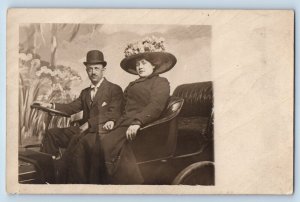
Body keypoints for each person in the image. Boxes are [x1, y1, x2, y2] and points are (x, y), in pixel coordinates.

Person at [34, 50, 123, 183]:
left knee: (78, 144)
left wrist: (89, 123)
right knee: (52, 134)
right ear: (86, 71)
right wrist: (49, 105)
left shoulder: (114, 89)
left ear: (103, 69)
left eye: (96, 68)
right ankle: (47, 176)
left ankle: (67, 179)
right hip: (82, 130)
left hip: (98, 133)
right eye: (89, 69)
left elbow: (114, 112)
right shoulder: (85, 93)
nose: (93, 72)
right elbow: (71, 108)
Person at [100, 37, 177, 184]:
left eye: (143, 63)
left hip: (146, 127)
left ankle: (124, 184)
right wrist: (112, 119)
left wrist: (137, 122)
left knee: (106, 145)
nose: (140, 67)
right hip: (123, 123)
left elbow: (156, 105)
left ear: (153, 65)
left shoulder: (160, 82)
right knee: (92, 140)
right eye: (137, 64)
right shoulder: (131, 85)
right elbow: (121, 107)